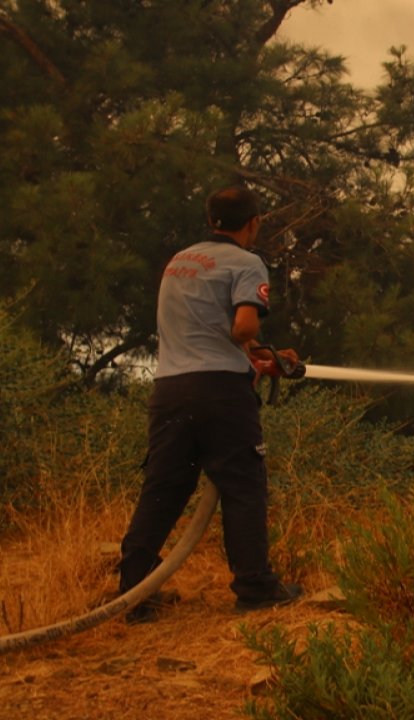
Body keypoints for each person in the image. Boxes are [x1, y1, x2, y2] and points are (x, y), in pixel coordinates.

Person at [118, 186, 303, 623]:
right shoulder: (246, 262)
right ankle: (255, 587)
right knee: (243, 485)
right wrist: (256, 348)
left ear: (211, 220)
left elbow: (204, 328)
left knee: (163, 489)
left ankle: (134, 591)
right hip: (221, 392)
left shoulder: (179, 262)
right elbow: (242, 328)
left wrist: (260, 355)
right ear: (253, 223)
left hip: (170, 389)